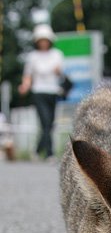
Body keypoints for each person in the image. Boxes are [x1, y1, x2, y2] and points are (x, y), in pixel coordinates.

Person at [18, 24, 64, 160]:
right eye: (41, 40)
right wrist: (24, 86)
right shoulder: (32, 56)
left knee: (50, 124)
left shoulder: (57, 55)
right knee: (45, 121)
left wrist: (58, 72)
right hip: (38, 92)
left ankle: (38, 150)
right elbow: (28, 75)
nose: (43, 42)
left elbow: (61, 74)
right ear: (37, 41)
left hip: (53, 91)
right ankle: (49, 153)